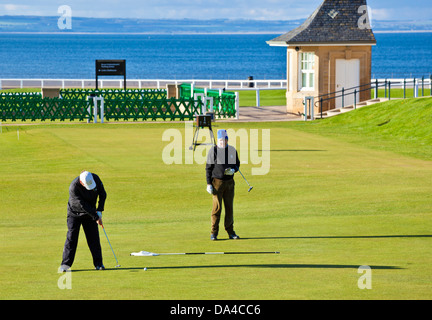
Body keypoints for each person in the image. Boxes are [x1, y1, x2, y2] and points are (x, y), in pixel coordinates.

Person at [60, 171, 107, 271]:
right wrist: (96, 217)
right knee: (71, 238)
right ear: (81, 182)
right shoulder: (74, 187)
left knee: (94, 238)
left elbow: (103, 194)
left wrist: (99, 210)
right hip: (75, 214)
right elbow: (82, 205)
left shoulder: (95, 178)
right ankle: (65, 265)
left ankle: (99, 264)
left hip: (91, 213)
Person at [205, 129, 240, 241]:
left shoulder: (232, 150)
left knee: (229, 208)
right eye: (220, 140)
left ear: (227, 140)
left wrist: (234, 170)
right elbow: (208, 168)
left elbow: (237, 164)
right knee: (217, 208)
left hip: (229, 183)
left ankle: (230, 232)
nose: (223, 142)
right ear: (217, 140)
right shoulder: (213, 151)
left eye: (224, 140)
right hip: (217, 183)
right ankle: (214, 233)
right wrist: (209, 184)